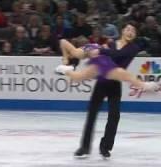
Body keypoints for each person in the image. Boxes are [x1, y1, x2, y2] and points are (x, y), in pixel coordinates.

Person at [59, 22, 153, 158]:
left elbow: (117, 54)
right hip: (102, 82)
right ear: (122, 31)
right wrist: (92, 52)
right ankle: (84, 147)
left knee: (114, 116)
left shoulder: (133, 48)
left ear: (135, 35)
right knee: (91, 113)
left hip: (115, 83)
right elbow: (103, 55)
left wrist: (101, 51)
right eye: (128, 28)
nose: (130, 31)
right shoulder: (111, 43)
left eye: (133, 30)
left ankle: (105, 147)